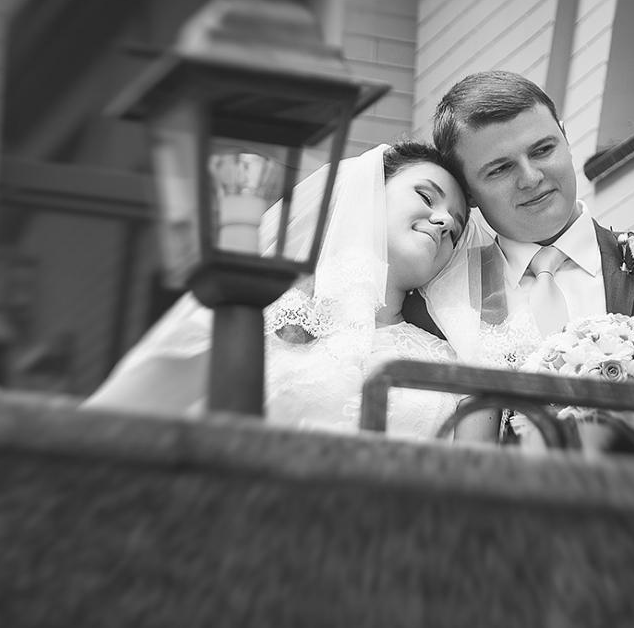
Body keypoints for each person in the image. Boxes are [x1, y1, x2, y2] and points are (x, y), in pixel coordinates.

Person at [403, 70, 634, 471]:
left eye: (543, 149)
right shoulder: (435, 308)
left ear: (566, 138)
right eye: (500, 169)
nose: (531, 178)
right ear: (469, 193)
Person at [85, 140, 500, 443]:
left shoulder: (452, 365)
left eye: (456, 227)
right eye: (426, 196)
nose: (445, 221)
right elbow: (134, 416)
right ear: (367, 192)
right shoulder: (250, 315)